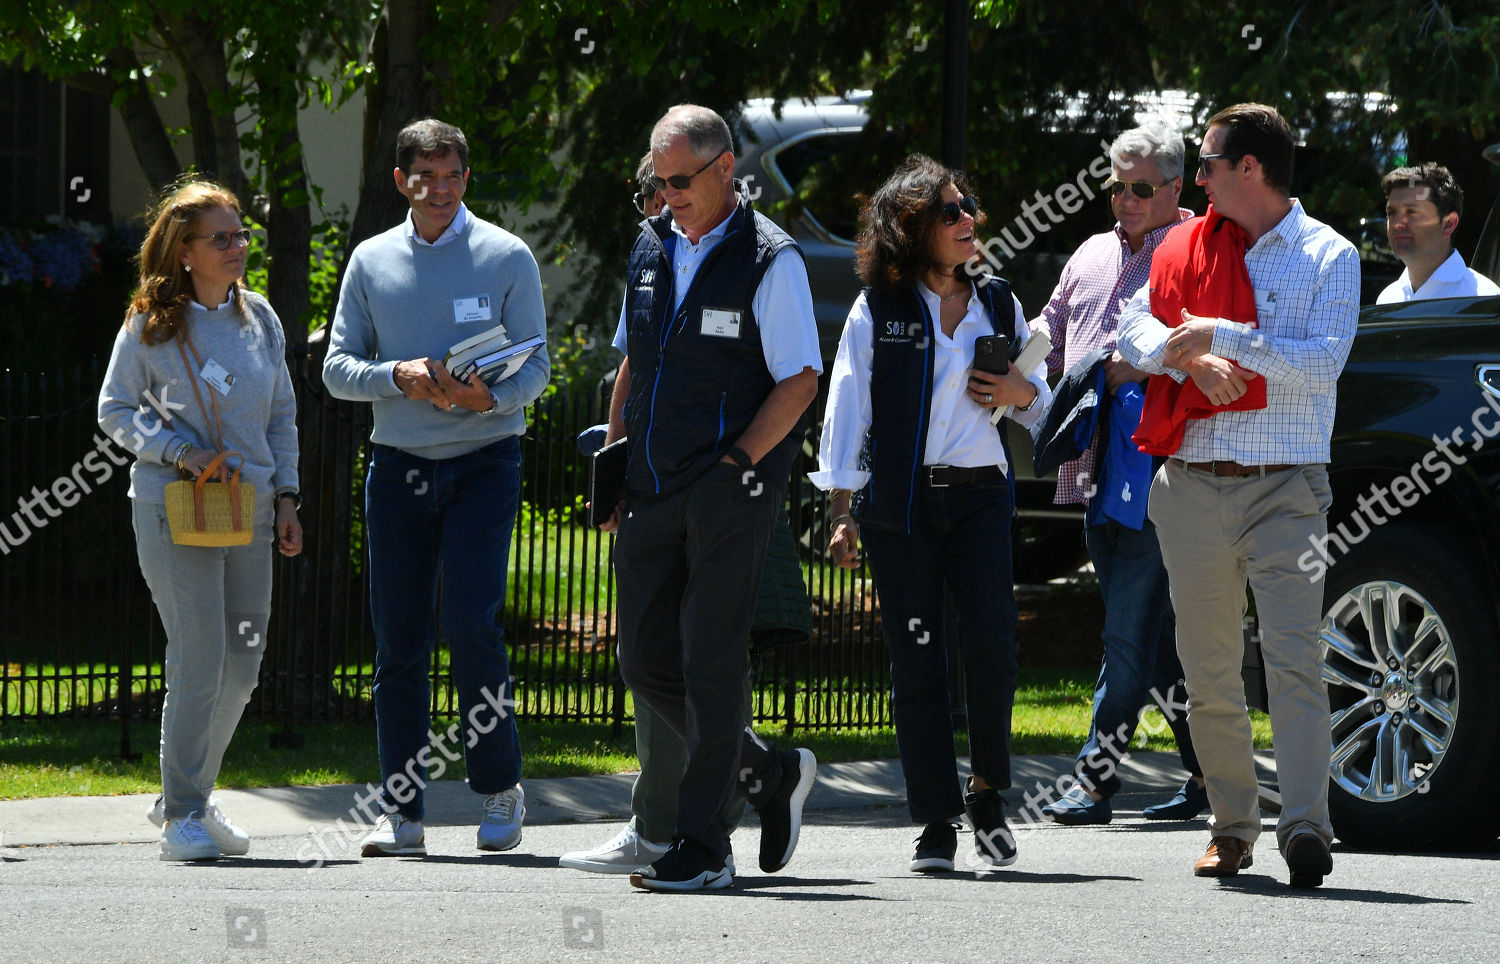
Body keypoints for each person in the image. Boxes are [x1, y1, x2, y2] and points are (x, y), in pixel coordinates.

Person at [1117, 103, 1359, 888]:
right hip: (1190, 486)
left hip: (1284, 487)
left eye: (1212, 163)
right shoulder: (1183, 242)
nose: (1201, 177)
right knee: (1208, 669)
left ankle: (1306, 828)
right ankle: (1232, 827)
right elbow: (1133, 332)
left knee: (1293, 661)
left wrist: (1222, 335)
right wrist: (1186, 360)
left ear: (1249, 169)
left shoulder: (1329, 255)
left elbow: (1320, 365)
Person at [602, 104, 821, 892]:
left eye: (680, 181)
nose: (666, 196)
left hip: (730, 487)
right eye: (655, 183)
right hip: (651, 486)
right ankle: (766, 767)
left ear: (726, 168)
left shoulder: (772, 258)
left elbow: (800, 380)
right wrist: (615, 450)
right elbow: (634, 357)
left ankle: (703, 848)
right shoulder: (651, 243)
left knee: (710, 659)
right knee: (642, 658)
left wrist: (736, 466)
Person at [813, 154, 1052, 873]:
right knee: (916, 659)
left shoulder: (999, 301)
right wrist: (842, 508)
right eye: (950, 212)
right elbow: (848, 403)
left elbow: (1041, 401)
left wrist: (1020, 393)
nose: (968, 220)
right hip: (903, 503)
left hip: (981, 495)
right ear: (912, 229)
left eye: (969, 205)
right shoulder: (877, 308)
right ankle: (936, 820)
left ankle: (986, 791)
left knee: (991, 647)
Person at [323, 118, 550, 857]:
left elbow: (538, 371)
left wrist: (491, 399)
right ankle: (402, 811)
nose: (441, 189)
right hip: (398, 467)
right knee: (399, 641)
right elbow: (335, 368)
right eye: (426, 177)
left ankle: (499, 791)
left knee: (471, 625)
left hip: (486, 461)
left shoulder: (507, 255)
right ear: (401, 181)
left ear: (466, 178)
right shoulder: (369, 260)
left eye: (453, 176)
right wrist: (401, 376)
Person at [99, 179, 302, 861]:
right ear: (184, 251)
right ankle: (184, 813)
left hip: (249, 510)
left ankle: (187, 793)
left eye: (241, 233)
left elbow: (280, 415)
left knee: (243, 664)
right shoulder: (151, 321)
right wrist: (179, 451)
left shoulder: (262, 319)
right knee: (201, 654)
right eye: (221, 237)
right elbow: (114, 411)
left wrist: (288, 498)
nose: (238, 246)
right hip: (174, 509)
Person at [1033, 120, 1207, 826]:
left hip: (1161, 467)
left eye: (1141, 188)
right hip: (1093, 467)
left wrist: (1137, 362)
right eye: (1117, 186)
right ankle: (1209, 777)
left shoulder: (1197, 251)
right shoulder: (1090, 255)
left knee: (1126, 627)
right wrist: (1002, 368)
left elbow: (1206, 343)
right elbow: (1047, 337)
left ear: (1173, 187)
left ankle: (1095, 779)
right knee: (1157, 634)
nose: (1126, 200)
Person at [1376, 162, 1500, 303]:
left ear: (1449, 224)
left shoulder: (1484, 298)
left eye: (1412, 212)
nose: (1397, 223)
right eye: (1391, 213)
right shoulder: (1387, 298)